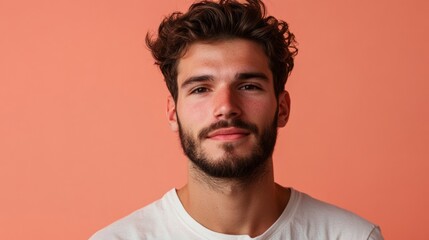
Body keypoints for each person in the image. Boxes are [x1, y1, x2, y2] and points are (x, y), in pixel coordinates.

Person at [90, 0, 383, 239]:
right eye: (201, 89)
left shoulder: (351, 236)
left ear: (282, 108)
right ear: (173, 112)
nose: (226, 107)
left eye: (248, 86)